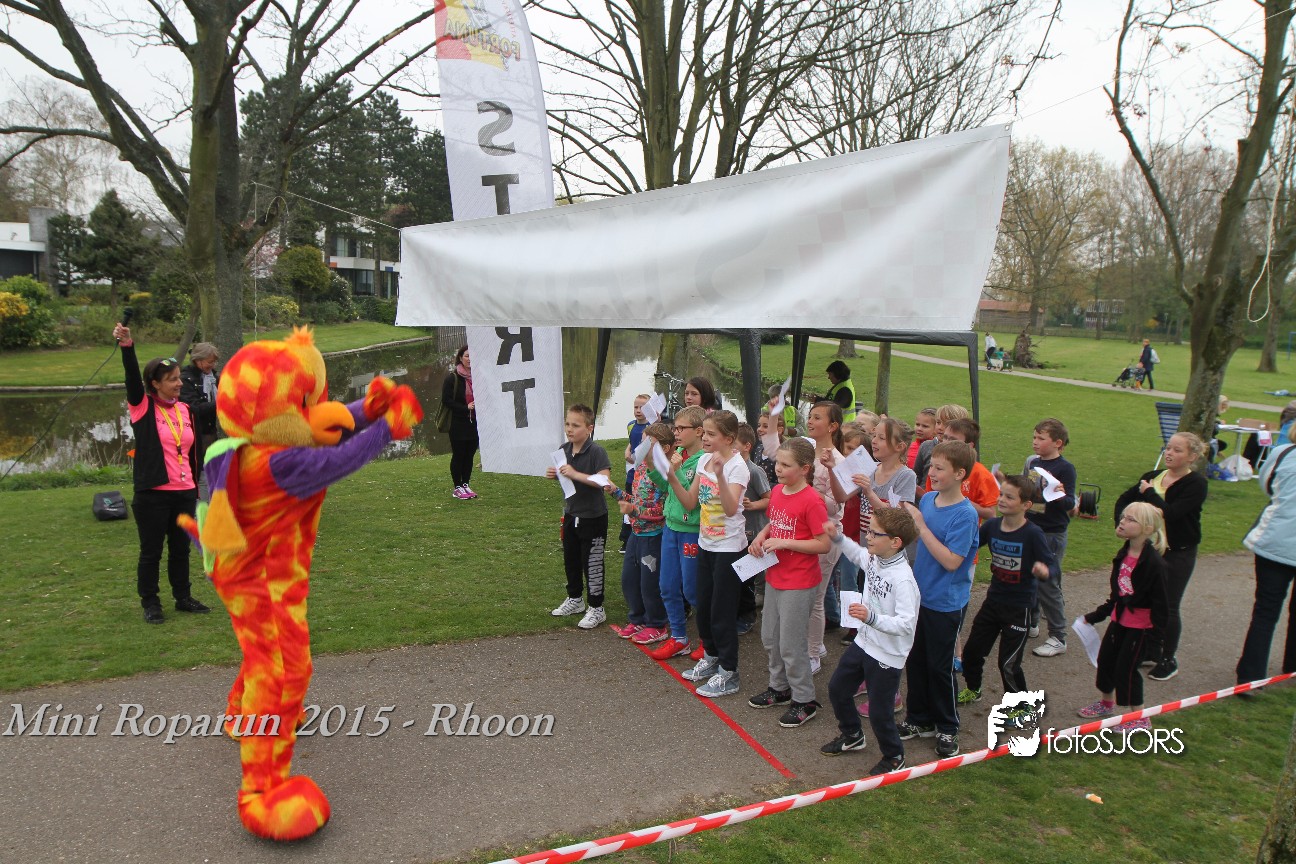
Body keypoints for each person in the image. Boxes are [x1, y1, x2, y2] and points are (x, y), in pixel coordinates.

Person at [112, 322, 211, 623]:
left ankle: (183, 597)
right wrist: (127, 346)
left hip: (184, 492)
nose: (179, 384)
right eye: (172, 380)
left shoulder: (185, 409)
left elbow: (195, 445)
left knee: (180, 550)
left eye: (179, 378)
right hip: (153, 494)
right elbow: (132, 378)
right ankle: (151, 602)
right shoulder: (142, 407)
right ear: (155, 384)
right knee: (151, 552)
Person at [820, 506, 920, 776]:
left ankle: (894, 755)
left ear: (895, 542)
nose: (868, 536)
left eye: (875, 533)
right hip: (864, 643)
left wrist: (871, 617)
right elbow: (857, 554)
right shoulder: (876, 559)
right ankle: (852, 735)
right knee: (838, 689)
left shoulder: (903, 580)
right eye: (869, 530)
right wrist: (838, 538)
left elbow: (906, 624)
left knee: (879, 712)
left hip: (887, 655)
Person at [897, 441, 980, 758]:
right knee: (916, 660)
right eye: (931, 466)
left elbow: (951, 561)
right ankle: (919, 718)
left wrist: (920, 524)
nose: (931, 472)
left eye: (939, 468)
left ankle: (947, 726)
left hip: (944, 603)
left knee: (940, 667)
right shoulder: (930, 500)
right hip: (919, 597)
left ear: (959, 474)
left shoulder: (965, 515)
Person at [746, 438, 830, 726]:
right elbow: (775, 522)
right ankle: (779, 687)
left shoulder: (812, 500)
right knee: (770, 637)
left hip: (800, 581)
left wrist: (785, 543)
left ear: (804, 469)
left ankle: (804, 699)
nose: (778, 469)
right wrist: (761, 537)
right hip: (776, 575)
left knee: (792, 644)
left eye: (785, 465)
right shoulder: (778, 491)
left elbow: (823, 544)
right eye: (778, 463)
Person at [1112, 431, 1208, 682]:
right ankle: (1150, 650)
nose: (1170, 453)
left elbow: (1172, 513)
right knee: (1145, 601)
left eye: (1177, 450)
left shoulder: (1196, 484)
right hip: (1149, 552)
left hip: (1179, 552)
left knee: (1169, 604)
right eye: (1169, 447)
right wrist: (1122, 524)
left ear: (1192, 457)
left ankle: (1168, 658)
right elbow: (1125, 499)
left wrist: (1150, 494)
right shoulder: (1151, 477)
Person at [957, 475, 1056, 705]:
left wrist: (1044, 570)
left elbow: (1051, 566)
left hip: (1019, 607)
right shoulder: (992, 526)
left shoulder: (1032, 534)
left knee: (1008, 663)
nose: (1001, 500)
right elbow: (970, 544)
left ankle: (1020, 704)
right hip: (993, 602)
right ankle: (973, 689)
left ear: (1026, 505)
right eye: (1001, 494)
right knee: (972, 652)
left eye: (1009, 497)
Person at [1076, 502, 1169, 733]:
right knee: (1106, 660)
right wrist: (1096, 616)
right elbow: (1118, 594)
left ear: (1147, 529)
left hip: (1141, 626)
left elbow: (1161, 605)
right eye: (1123, 517)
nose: (1122, 521)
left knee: (1127, 669)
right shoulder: (1124, 553)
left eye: (1130, 519)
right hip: (1120, 619)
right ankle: (1106, 703)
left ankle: (1140, 717)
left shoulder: (1154, 564)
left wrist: (1156, 642)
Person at [677, 410, 749, 698]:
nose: (704, 438)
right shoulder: (704, 460)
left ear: (728, 439)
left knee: (722, 611)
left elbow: (730, 509)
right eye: (704, 433)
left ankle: (729, 671)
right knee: (704, 607)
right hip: (706, 544)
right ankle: (711, 657)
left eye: (710, 434)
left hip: (729, 549)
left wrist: (719, 474)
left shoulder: (737, 467)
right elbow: (690, 502)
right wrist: (671, 476)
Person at [995, 418, 1076, 658]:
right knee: (1026, 577)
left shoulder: (1065, 468)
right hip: (1030, 528)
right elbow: (1026, 492)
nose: (1035, 442)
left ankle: (1058, 636)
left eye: (1041, 438)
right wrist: (1005, 481)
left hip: (1051, 533)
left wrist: (1059, 496)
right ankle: (1031, 622)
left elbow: (1070, 504)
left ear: (1058, 443)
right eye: (1034, 437)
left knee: (1047, 583)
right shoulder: (1032, 462)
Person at [1236, 424, 1296, 695]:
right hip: (1276, 542)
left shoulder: (1283, 453)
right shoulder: (1283, 452)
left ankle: (1250, 677)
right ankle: (1289, 667)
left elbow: (1269, 485)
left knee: (1265, 611)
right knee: (1267, 610)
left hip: (1274, 540)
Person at [646, 405, 708, 660]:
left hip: (691, 531)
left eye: (682, 428)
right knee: (667, 586)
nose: (676, 433)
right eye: (675, 428)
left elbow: (691, 500)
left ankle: (708, 640)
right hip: (671, 528)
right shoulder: (679, 454)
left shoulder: (704, 461)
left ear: (699, 431)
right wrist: (652, 465)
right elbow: (667, 487)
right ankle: (679, 638)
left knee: (693, 589)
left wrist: (677, 471)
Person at [545, 404, 612, 630]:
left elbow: (604, 481)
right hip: (571, 513)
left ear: (589, 428)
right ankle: (575, 598)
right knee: (571, 559)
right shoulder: (563, 449)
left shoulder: (596, 452)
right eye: (567, 424)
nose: (569, 429)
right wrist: (556, 475)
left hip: (593, 517)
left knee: (592, 562)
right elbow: (568, 480)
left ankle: (596, 607)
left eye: (576, 425)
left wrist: (575, 474)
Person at [610, 421, 673, 645]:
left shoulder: (666, 473)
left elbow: (663, 510)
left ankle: (657, 624)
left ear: (665, 448)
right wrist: (614, 491)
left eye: (648, 442)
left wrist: (635, 511)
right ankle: (637, 618)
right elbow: (634, 500)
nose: (641, 446)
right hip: (636, 534)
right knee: (629, 579)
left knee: (650, 583)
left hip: (653, 537)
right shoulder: (641, 469)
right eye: (642, 441)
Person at [808, 401, 846, 675]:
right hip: (805, 532)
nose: (810, 421)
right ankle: (816, 643)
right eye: (810, 416)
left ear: (832, 426)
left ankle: (812, 655)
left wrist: (807, 492)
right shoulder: (806, 449)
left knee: (815, 597)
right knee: (807, 596)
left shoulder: (839, 461)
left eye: (817, 417)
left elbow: (836, 505)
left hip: (826, 534)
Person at [736, 423, 771, 635]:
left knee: (746, 578)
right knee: (736, 576)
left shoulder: (754, 471)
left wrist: (752, 505)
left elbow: (769, 499)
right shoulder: (728, 469)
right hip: (735, 533)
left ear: (747, 446)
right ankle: (737, 612)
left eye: (733, 444)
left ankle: (747, 617)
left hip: (752, 533)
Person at [442, 346, 479, 500]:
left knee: (469, 455)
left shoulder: (479, 376)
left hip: (474, 423)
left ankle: (466, 484)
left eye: (472, 356)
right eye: (467, 356)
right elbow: (446, 400)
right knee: (459, 455)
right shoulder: (453, 378)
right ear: (460, 358)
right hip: (458, 423)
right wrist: (466, 408)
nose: (470, 359)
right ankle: (457, 487)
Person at [620, 394, 651, 552]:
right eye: (636, 407)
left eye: (642, 408)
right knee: (628, 503)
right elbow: (631, 442)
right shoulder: (631, 425)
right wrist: (628, 451)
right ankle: (625, 539)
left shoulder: (652, 427)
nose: (638, 410)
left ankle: (639, 535)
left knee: (641, 504)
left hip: (645, 474)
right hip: (632, 473)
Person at [914, 405, 969, 490]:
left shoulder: (964, 452)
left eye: (946, 424)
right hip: (925, 495)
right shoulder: (926, 446)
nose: (940, 427)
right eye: (938, 422)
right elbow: (917, 475)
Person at [179, 341, 221, 449]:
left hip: (211, 431)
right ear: (198, 360)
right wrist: (222, 403)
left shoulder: (213, 378)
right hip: (194, 434)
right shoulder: (185, 379)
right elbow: (194, 408)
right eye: (210, 362)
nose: (213, 365)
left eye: (214, 361)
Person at [906, 408, 938, 476]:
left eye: (925, 426)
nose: (919, 429)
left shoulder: (936, 449)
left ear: (936, 429)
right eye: (917, 424)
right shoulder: (908, 446)